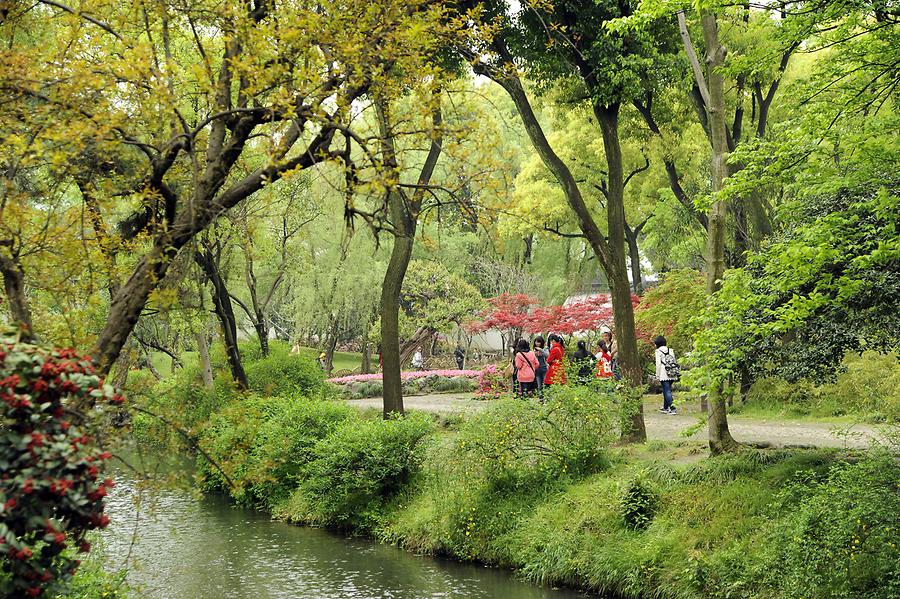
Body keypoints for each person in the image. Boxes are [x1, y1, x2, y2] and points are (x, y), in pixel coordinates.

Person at [654, 335, 678, 414]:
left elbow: (658, 364)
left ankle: (672, 407)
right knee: (667, 390)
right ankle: (665, 407)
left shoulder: (658, 351)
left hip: (664, 373)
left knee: (666, 390)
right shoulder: (670, 350)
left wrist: (657, 375)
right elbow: (674, 361)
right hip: (672, 372)